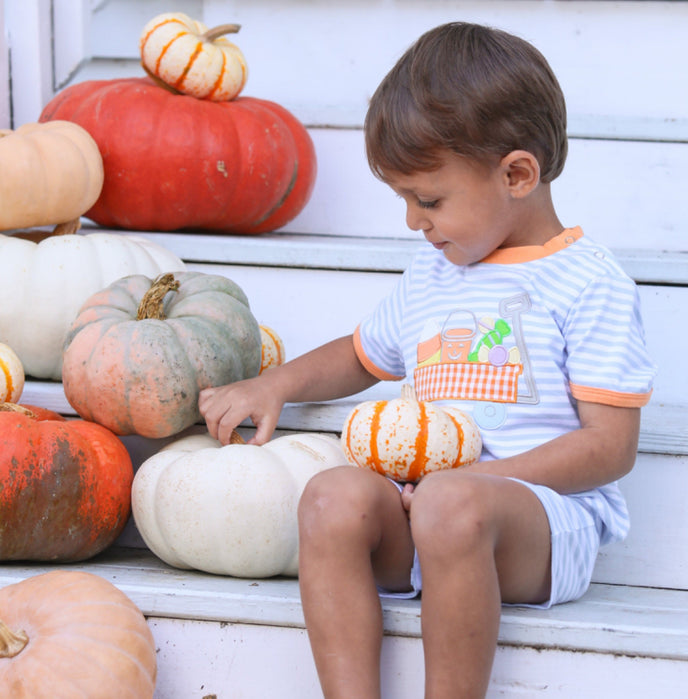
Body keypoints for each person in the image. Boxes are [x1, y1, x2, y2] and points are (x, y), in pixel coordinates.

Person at [199, 21, 656, 699]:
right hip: (426, 508)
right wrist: (278, 383)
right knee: (330, 497)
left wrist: (482, 480)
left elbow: (609, 447)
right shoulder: (432, 271)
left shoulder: (587, 281)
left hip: (542, 520)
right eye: (404, 200)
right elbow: (361, 354)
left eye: (429, 200)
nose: (414, 222)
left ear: (517, 174)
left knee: (452, 502)